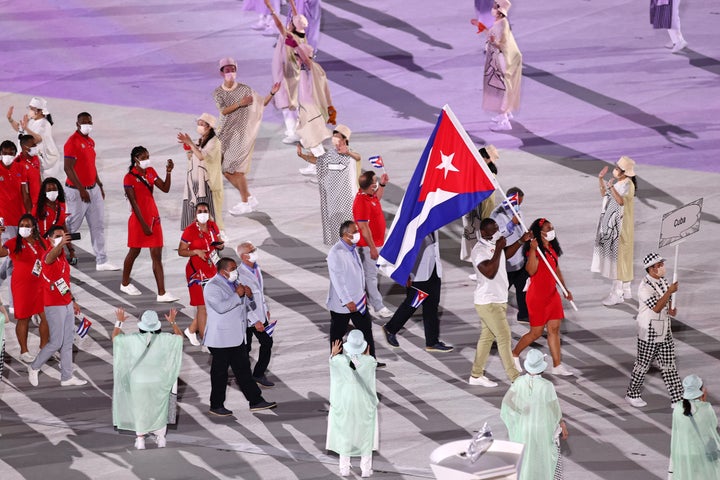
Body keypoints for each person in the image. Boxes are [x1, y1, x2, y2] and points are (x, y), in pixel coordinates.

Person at [203, 257, 277, 415]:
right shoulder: (212, 286)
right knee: (220, 374)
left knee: (243, 371)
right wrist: (238, 295)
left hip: (236, 337)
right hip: (221, 340)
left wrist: (248, 296)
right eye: (233, 269)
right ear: (223, 272)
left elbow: (243, 307)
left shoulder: (235, 284)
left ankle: (256, 401)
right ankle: (216, 405)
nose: (236, 271)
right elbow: (221, 307)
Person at [213, 57, 280, 216]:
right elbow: (223, 110)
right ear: (222, 72)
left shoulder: (245, 89)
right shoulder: (218, 92)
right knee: (226, 171)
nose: (230, 72)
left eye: (233, 69)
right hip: (224, 134)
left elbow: (261, 104)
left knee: (235, 170)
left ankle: (245, 202)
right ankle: (249, 198)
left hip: (241, 135)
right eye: (227, 70)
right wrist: (240, 104)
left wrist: (272, 93)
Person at [469, 218, 531, 387]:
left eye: (497, 228)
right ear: (483, 233)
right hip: (488, 301)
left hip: (499, 299)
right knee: (504, 337)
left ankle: (476, 375)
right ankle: (515, 377)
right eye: (493, 230)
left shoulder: (494, 244)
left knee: (486, 338)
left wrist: (520, 241)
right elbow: (489, 271)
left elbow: (504, 255)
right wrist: (498, 248)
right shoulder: (478, 250)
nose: (497, 232)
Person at [112, 308, 184, 450]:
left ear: (140, 325)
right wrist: (173, 322)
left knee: (140, 409)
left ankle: (140, 440)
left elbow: (115, 338)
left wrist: (119, 322)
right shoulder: (165, 339)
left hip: (138, 381)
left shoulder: (132, 339)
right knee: (160, 409)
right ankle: (161, 438)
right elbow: (180, 337)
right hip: (159, 380)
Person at [512, 218, 574, 376]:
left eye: (552, 227)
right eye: (548, 228)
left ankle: (557, 365)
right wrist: (533, 250)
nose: (552, 230)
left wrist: (564, 289)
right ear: (540, 232)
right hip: (537, 297)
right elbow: (531, 271)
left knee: (554, 329)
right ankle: (514, 354)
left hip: (552, 295)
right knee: (536, 332)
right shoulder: (535, 250)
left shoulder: (552, 248)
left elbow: (556, 270)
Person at [27, 225, 87, 387]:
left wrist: (72, 300)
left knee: (67, 341)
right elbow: (48, 259)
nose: (62, 238)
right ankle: (34, 367)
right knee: (56, 342)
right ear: (50, 239)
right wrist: (60, 244)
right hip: (54, 305)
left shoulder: (61, 257)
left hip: (66, 303)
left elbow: (63, 282)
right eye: (58, 236)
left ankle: (66, 377)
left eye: (63, 236)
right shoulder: (49, 254)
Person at [120, 146, 178, 303]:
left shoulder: (150, 171)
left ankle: (161, 293)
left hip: (153, 218)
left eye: (148, 156)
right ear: (136, 159)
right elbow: (134, 203)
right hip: (139, 220)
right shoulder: (129, 178)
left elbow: (165, 188)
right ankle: (124, 283)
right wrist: (144, 225)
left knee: (157, 255)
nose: (147, 160)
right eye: (144, 157)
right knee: (134, 251)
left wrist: (168, 172)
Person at [625, 252, 683, 408]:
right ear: (650, 269)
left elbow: (666, 304)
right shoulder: (644, 287)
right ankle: (632, 394)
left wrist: (671, 309)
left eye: (662, 264)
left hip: (664, 329)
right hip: (649, 331)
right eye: (659, 265)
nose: (662, 267)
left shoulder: (663, 281)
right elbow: (657, 307)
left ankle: (677, 397)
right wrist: (670, 292)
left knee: (669, 364)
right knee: (643, 365)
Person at [501, 348, 569, 480]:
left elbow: (507, 401)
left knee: (526, 459)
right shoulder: (546, 385)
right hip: (542, 428)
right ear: (542, 367)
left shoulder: (519, 382)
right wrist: (561, 423)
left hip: (525, 427)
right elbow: (554, 408)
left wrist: (520, 410)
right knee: (545, 458)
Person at [63, 112, 118, 271]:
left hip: (92, 189)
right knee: (73, 224)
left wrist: (99, 185)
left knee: (98, 224)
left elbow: (90, 165)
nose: (87, 125)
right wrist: (81, 189)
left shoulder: (90, 142)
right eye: (83, 122)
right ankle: (54, 245)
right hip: (76, 191)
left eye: (89, 122)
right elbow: (68, 168)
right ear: (77, 124)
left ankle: (102, 260)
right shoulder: (72, 142)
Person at [382, 232, 453, 353]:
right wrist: (405, 274)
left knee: (432, 307)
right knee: (411, 304)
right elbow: (403, 250)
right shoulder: (412, 225)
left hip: (434, 271)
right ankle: (390, 328)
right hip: (418, 274)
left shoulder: (432, 221)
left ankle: (432, 342)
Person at [327, 221, 381, 362]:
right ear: (346, 235)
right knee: (338, 334)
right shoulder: (336, 252)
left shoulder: (352, 248)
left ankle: (370, 360)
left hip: (359, 300)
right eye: (355, 231)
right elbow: (338, 280)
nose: (358, 234)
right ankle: (336, 362)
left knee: (366, 331)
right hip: (344, 303)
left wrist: (362, 295)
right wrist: (347, 300)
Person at [326, 331, 379, 478]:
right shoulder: (370, 362)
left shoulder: (339, 361)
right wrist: (367, 355)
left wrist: (333, 354)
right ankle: (366, 469)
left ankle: (344, 468)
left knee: (345, 433)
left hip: (345, 402)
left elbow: (334, 362)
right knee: (366, 434)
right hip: (364, 403)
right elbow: (367, 364)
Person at [296, 126, 360, 245]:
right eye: (334, 135)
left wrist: (348, 152)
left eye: (337, 136)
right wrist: (303, 156)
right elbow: (319, 161)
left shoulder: (350, 154)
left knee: (349, 228)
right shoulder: (331, 154)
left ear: (345, 139)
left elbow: (358, 157)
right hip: (333, 199)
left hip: (348, 198)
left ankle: (352, 251)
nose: (334, 138)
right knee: (336, 227)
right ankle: (338, 250)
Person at [0, 214, 50, 362]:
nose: (24, 228)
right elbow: (1, 253)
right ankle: (24, 351)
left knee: (46, 317)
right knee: (24, 319)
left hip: (40, 285)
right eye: (21, 225)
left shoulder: (41, 242)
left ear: (34, 227)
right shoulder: (14, 242)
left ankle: (44, 348)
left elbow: (49, 258)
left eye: (27, 226)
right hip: (22, 286)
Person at [592, 157, 638, 306]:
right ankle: (626, 289)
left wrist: (611, 187)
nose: (615, 169)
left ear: (625, 172)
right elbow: (604, 195)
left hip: (621, 228)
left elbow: (620, 201)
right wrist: (600, 180)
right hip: (613, 225)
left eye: (618, 168)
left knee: (618, 259)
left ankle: (617, 293)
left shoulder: (628, 185)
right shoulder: (620, 183)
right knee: (622, 258)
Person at [178, 202, 224, 346]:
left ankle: (191, 330)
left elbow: (218, 242)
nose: (202, 213)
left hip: (211, 268)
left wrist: (220, 245)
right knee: (202, 306)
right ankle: (206, 339)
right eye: (200, 211)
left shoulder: (212, 226)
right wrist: (195, 251)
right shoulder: (189, 230)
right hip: (196, 273)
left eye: (205, 211)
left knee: (209, 304)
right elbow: (181, 251)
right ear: (195, 214)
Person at [352, 170, 393, 319]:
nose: (376, 183)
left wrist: (382, 184)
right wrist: (372, 248)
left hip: (376, 244)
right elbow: (363, 228)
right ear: (370, 186)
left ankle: (366, 303)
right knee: (371, 277)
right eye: (375, 182)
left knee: (371, 276)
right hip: (368, 246)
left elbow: (377, 198)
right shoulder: (361, 203)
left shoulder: (369, 197)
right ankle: (378, 307)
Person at [177, 113, 225, 237]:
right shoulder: (200, 140)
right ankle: (193, 236)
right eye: (198, 124)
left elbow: (202, 156)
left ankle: (216, 235)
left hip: (207, 183)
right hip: (195, 180)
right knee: (193, 209)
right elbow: (191, 157)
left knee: (207, 210)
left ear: (209, 127)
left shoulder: (214, 142)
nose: (199, 126)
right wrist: (187, 147)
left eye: (202, 124)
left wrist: (191, 144)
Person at [236, 241, 275, 387]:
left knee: (267, 342)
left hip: (260, 314)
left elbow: (260, 293)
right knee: (246, 349)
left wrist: (265, 309)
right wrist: (255, 321)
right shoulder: (239, 274)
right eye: (252, 251)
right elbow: (243, 302)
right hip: (248, 317)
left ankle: (258, 374)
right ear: (244, 256)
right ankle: (244, 379)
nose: (255, 252)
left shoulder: (256, 268)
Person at [669, 374, 720, 479]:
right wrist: (703, 401)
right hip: (701, 453)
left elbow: (677, 431)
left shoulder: (678, 408)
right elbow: (712, 426)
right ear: (700, 389)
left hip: (682, 453)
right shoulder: (706, 408)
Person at [490, 187, 529, 322]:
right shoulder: (496, 214)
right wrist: (512, 223)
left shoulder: (518, 210)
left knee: (523, 289)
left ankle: (524, 314)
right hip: (506, 262)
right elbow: (497, 235)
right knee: (501, 292)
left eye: (520, 203)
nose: (519, 205)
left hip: (520, 258)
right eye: (517, 202)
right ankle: (495, 318)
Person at [482, 0, 522, 131]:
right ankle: (506, 113)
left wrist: (493, 42)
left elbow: (502, 43)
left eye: (494, 6)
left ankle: (504, 118)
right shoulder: (499, 22)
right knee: (501, 86)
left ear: (500, 10)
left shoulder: (503, 23)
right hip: (498, 57)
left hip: (502, 59)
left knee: (502, 87)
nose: (492, 8)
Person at [0, 140, 32, 295]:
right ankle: (14, 299)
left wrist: (30, 215)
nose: (8, 156)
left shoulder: (20, 168)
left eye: (11, 153)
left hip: (20, 220)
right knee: (14, 255)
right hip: (4, 221)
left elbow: (25, 194)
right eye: (5, 153)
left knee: (14, 255)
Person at [461, 145, 499, 270]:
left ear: (488, 159)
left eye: (481, 157)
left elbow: (487, 199)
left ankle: (480, 269)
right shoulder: (483, 172)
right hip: (477, 211)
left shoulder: (489, 175)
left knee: (479, 242)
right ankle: (478, 267)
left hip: (481, 213)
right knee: (475, 241)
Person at [6, 98, 62, 179]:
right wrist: (10, 119)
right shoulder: (31, 121)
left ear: (39, 111)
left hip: (37, 162)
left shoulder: (45, 124)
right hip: (25, 158)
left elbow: (38, 139)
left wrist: (26, 129)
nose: (30, 111)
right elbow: (20, 129)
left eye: (32, 108)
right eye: (29, 108)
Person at [16, 134, 42, 206]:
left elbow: (39, 177)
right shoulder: (18, 164)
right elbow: (22, 190)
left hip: (39, 200)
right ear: (24, 147)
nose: (35, 147)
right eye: (33, 145)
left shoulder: (35, 158)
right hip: (29, 204)